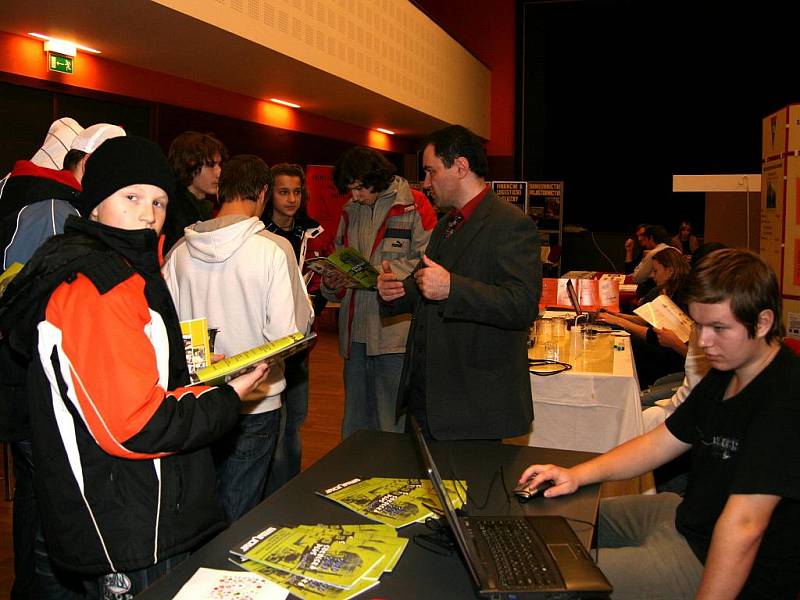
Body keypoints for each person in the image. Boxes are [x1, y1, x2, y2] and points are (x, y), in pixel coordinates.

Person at [0, 136, 269, 598]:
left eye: (160, 201)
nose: (148, 213)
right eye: (132, 197)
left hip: (136, 505)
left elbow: (130, 371)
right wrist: (226, 399)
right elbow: (134, 426)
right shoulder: (99, 282)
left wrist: (192, 372)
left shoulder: (122, 267)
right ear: (96, 205)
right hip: (127, 517)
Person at [518, 248, 800, 599]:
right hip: (685, 518)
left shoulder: (784, 400)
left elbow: (743, 527)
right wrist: (577, 474)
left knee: (554, 580)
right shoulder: (730, 368)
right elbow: (661, 441)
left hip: (712, 558)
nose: (704, 341)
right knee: (564, 518)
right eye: (699, 326)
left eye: (718, 328)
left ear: (763, 322)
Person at [0, 121, 124, 600]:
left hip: (12, 373)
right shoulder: (55, 208)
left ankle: (28, 587)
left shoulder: (10, 190)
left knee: (33, 492)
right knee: (55, 497)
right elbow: (55, 306)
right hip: (34, 378)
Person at [163, 155, 313, 519]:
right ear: (263, 193)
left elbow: (167, 332)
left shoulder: (180, 252)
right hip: (257, 400)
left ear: (222, 189)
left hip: (197, 399)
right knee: (241, 508)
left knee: (201, 503)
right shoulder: (273, 250)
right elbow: (286, 334)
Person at [377, 125, 541, 440]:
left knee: (475, 490)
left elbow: (521, 305)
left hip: (474, 405)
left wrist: (453, 288)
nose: (425, 183)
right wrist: (395, 291)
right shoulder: (446, 225)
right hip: (431, 399)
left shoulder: (511, 224)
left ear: (461, 167)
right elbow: (427, 284)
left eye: (431, 172)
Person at [323, 146, 436, 438]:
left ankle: (396, 480)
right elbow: (339, 257)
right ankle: (357, 479)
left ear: (378, 177)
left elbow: (429, 259)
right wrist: (331, 283)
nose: (355, 196)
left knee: (392, 422)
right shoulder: (350, 212)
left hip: (394, 332)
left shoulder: (415, 205)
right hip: (355, 332)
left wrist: (382, 276)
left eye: (360, 188)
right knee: (356, 423)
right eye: (350, 190)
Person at [260, 163, 329, 493]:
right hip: (268, 344)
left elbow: (325, 290)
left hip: (302, 345)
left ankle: (290, 490)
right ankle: (271, 494)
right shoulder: (257, 233)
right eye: (283, 191)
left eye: (297, 192)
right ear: (269, 194)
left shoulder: (315, 233)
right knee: (275, 422)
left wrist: (329, 288)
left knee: (295, 422)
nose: (291, 199)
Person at [162, 131, 228, 253]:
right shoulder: (172, 210)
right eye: (211, 165)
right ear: (190, 164)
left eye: (219, 164)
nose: (219, 172)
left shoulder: (203, 207)